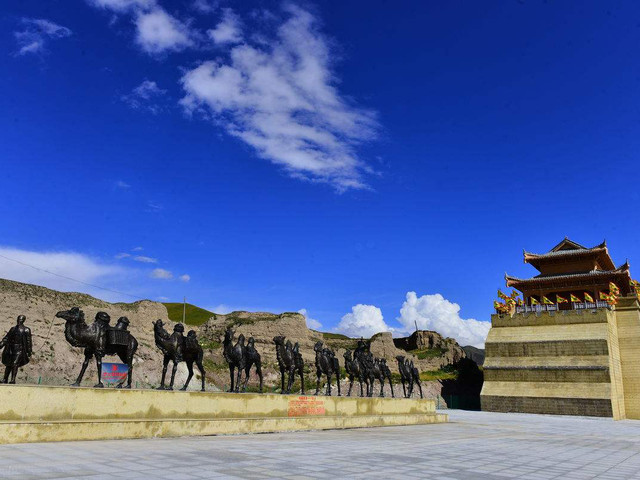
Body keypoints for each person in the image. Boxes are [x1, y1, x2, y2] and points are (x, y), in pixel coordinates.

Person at [0, 315, 33, 384]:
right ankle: (5, 379)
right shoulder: (13, 329)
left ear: (23, 321)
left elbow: (28, 341)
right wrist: (1, 344)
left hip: (20, 349)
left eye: (20, 320)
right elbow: (6, 338)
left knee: (15, 364)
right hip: (11, 349)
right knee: (8, 364)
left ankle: (13, 380)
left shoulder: (26, 329)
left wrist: (29, 351)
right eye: (18, 319)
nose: (19, 321)